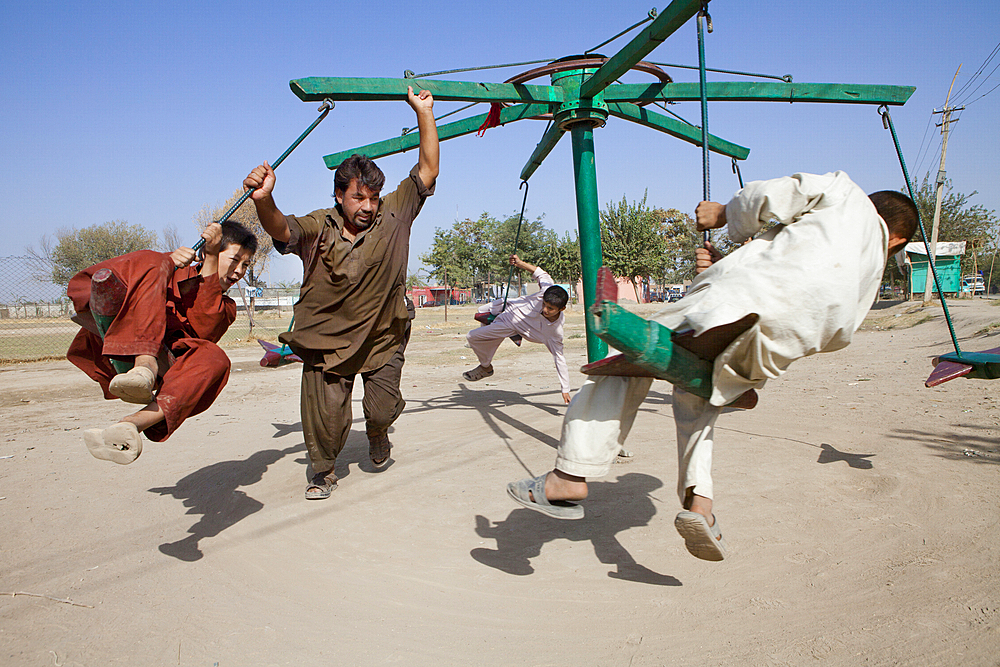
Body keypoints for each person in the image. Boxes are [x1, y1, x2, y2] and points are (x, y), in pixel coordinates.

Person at [506, 171, 919, 561]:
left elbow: (773, 196)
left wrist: (723, 214)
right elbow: (836, 329)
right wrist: (729, 265)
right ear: (896, 239)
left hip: (733, 308)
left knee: (628, 363)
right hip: (770, 350)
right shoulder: (872, 272)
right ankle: (699, 506)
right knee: (697, 398)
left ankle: (569, 476)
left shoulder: (844, 192)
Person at [242, 85, 439, 500]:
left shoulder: (396, 212)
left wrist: (424, 112)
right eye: (358, 197)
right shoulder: (321, 225)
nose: (367, 206)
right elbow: (281, 229)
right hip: (326, 340)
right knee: (326, 420)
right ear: (339, 195)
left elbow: (427, 169)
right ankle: (323, 471)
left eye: (372, 197)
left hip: (384, 337)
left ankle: (379, 432)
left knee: (381, 408)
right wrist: (264, 199)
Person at [68, 221, 257, 464]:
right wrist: (167, 261)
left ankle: (129, 425)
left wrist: (210, 259)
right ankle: (143, 366)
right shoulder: (170, 268)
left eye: (246, 264)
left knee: (215, 358)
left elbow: (202, 329)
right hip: (119, 348)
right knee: (151, 260)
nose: (240, 270)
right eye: (234, 260)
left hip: (167, 365)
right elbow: (81, 287)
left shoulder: (226, 307)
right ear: (205, 250)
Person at [463, 254, 572, 404]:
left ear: (562, 309)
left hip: (515, 326)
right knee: (481, 311)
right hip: (508, 309)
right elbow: (541, 273)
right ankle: (497, 335)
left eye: (551, 308)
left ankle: (485, 367)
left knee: (471, 336)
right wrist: (520, 263)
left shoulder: (555, 332)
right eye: (544, 305)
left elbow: (560, 359)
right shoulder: (547, 289)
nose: (545, 310)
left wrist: (565, 388)